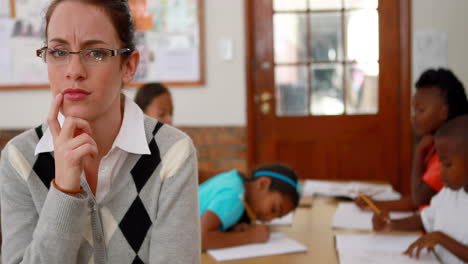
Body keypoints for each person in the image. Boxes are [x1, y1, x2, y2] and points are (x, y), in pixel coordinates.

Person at [0, 1, 200, 263]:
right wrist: (64, 191)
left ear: (129, 66)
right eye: (59, 52)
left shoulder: (172, 154)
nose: (74, 71)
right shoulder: (19, 158)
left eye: (96, 53)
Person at [355, 68, 468, 211]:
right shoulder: (433, 144)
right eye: (414, 110)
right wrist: (375, 204)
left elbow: (419, 198)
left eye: (421, 110)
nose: (414, 117)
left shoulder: (452, 152)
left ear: (443, 112)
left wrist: (418, 151)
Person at [372, 115, 468, 263]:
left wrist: (440, 238)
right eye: (440, 163)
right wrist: (391, 225)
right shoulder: (449, 193)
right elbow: (425, 219)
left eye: (448, 165)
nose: (441, 171)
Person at [199, 163, 300, 250]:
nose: (268, 220)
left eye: (275, 218)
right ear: (263, 184)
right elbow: (200, 239)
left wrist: (230, 229)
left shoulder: (235, 179)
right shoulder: (236, 196)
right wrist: (250, 237)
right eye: (273, 209)